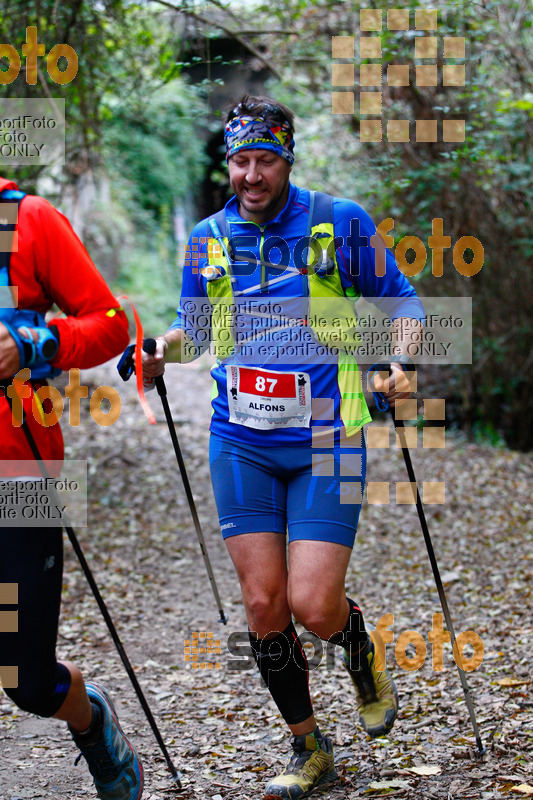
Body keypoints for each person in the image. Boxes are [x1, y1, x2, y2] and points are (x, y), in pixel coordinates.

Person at [142, 95, 424, 800]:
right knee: (264, 605)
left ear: (287, 159)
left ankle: (357, 650)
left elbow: (404, 303)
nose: (251, 174)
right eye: (240, 160)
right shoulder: (208, 237)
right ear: (228, 164)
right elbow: (196, 331)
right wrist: (157, 351)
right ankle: (308, 747)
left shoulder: (339, 221)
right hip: (240, 438)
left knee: (312, 604)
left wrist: (400, 364)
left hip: (329, 432)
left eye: (265, 159)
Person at [0, 176, 143, 800]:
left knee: (26, 681)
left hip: (24, 471)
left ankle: (93, 720)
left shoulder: (28, 219)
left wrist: (35, 342)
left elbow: (112, 324)